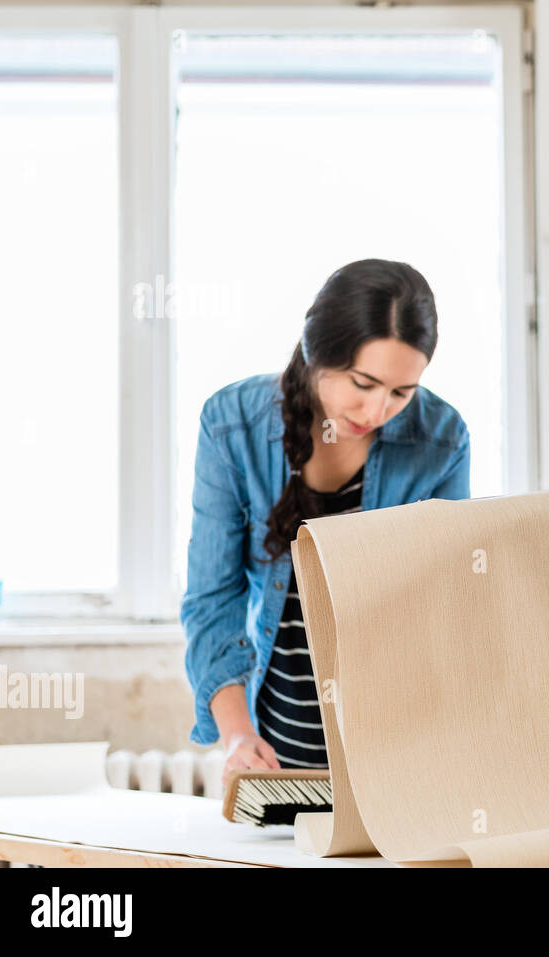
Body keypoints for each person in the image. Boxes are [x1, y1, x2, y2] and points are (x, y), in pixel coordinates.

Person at [179, 259, 471, 785]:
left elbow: (446, 604)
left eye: (402, 392)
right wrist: (239, 738)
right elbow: (212, 600)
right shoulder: (231, 425)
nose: (379, 408)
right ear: (319, 351)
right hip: (274, 758)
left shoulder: (443, 440)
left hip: (395, 759)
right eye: (364, 382)